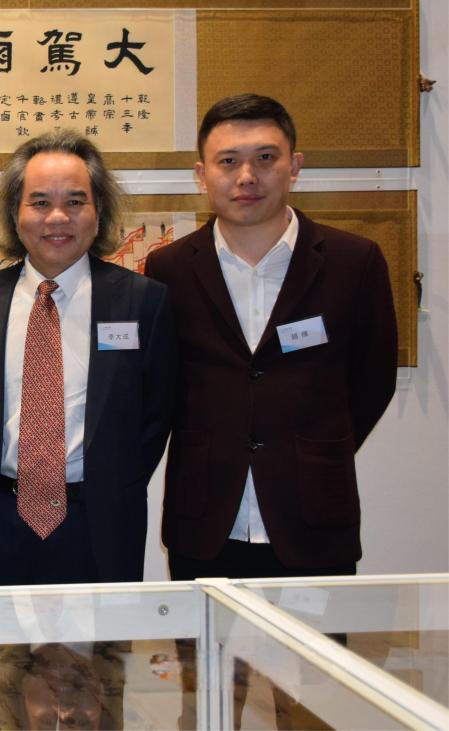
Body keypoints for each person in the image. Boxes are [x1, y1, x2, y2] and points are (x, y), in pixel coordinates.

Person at [144, 94, 398, 728]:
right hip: (206, 520)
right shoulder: (169, 268)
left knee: (311, 701)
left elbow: (373, 379)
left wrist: (313, 451)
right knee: (208, 701)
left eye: (265, 158)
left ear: (295, 166)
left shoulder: (353, 261)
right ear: (201, 174)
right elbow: (163, 388)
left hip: (313, 518)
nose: (247, 176)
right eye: (228, 161)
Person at [0, 131, 176, 729]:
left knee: (101, 691)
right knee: (11, 693)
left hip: (98, 526)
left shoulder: (144, 302)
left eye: (75, 201)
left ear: (98, 211)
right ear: (15, 214)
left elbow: (155, 416)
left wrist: (107, 485)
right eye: (40, 202)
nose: (57, 217)